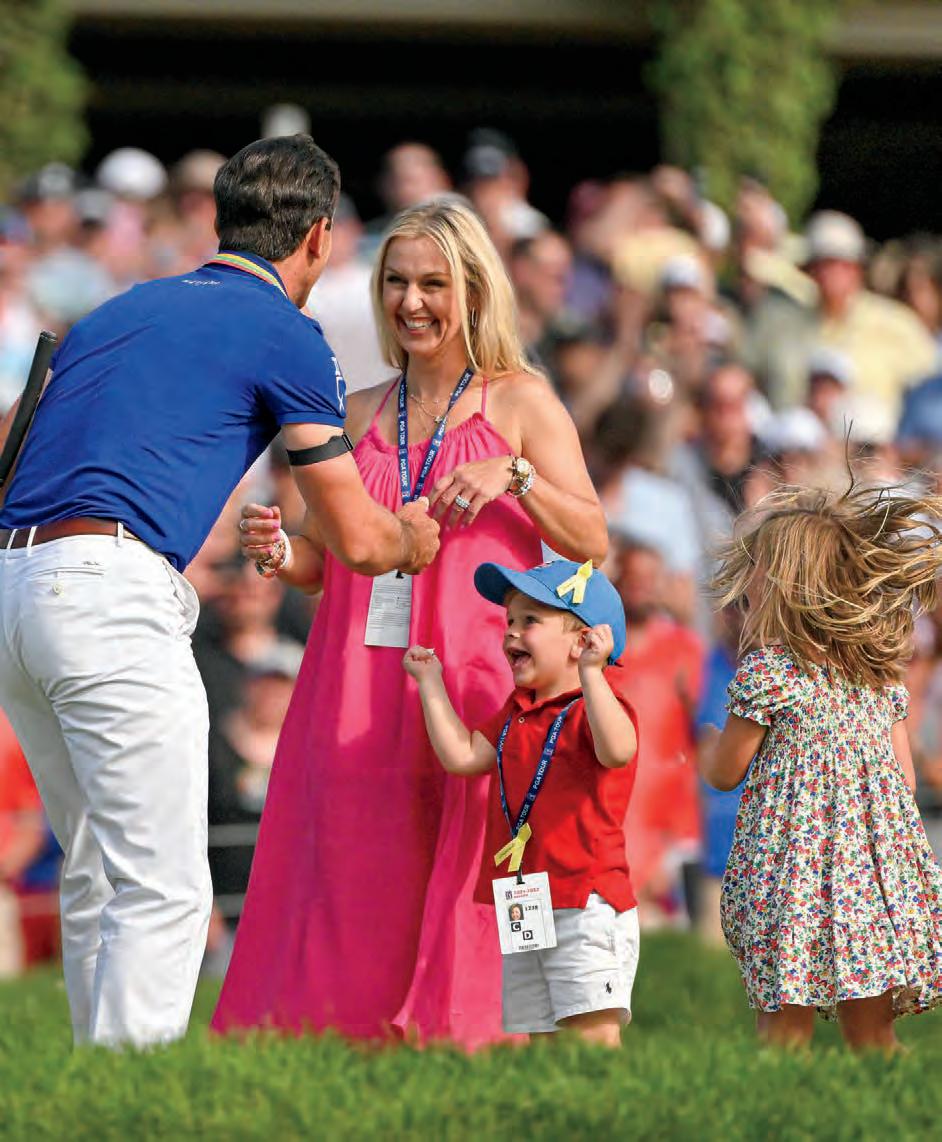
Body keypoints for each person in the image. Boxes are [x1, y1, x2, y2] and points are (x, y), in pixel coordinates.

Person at [0, 134, 439, 1049]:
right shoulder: (287, 332)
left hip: (15, 581)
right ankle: (132, 1101)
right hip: (108, 588)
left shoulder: (120, 307)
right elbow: (361, 539)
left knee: (95, 867)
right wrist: (416, 533)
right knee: (163, 884)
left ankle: (92, 1093)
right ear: (317, 237)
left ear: (221, 219)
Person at [214, 197, 608, 1047]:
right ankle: (346, 1036)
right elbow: (326, 558)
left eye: (433, 283)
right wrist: (280, 550)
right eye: (397, 282)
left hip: (475, 678)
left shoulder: (521, 403)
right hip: (359, 679)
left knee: (478, 858)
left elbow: (591, 539)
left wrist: (517, 477)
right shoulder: (356, 412)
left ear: (474, 291)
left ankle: (487, 1037)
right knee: (355, 861)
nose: (412, 301)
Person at [701, 481, 942, 1050]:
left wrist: (708, 746)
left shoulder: (771, 674)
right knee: (873, 1030)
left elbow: (725, 772)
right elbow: (904, 780)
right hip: (872, 880)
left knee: (783, 1028)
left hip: (792, 876)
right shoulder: (877, 676)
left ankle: (785, 1101)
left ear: (781, 584)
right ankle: (884, 1098)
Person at [403, 558, 639, 1046]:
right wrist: (430, 683)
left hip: (583, 896)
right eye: (509, 620)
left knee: (591, 1032)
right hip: (524, 897)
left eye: (530, 620)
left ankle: (607, 1100)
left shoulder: (595, 707)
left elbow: (618, 750)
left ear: (583, 641)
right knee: (540, 1034)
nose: (511, 632)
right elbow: (464, 756)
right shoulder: (516, 712)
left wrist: (592, 675)